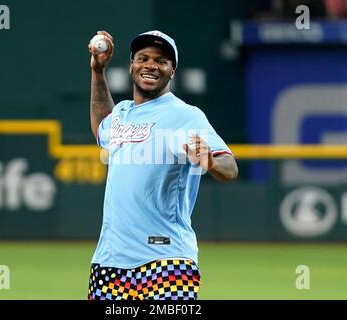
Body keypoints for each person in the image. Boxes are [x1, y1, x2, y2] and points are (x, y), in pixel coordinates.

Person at [87, 30, 238, 300]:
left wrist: (211, 161)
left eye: (161, 61)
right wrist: (98, 72)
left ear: (172, 72)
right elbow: (102, 127)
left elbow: (230, 168)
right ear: (131, 65)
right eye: (143, 58)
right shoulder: (121, 112)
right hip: (110, 260)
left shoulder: (186, 115)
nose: (151, 65)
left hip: (166, 261)